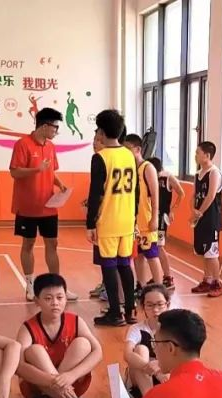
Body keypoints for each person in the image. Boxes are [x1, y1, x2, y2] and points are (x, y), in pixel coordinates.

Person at [16, 273, 104, 398]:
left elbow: (98, 352)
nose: (55, 303)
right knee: (34, 351)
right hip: (38, 385)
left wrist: (71, 375)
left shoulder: (76, 321)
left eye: (59, 297)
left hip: (72, 383)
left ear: (66, 298)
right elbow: (19, 366)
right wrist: (51, 380)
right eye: (48, 298)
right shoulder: (27, 328)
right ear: (36, 301)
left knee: (84, 344)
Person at [9, 107, 77, 301]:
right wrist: (36, 170)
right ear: (44, 126)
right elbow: (14, 172)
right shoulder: (22, 144)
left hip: (49, 206)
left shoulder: (50, 147)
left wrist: (59, 183)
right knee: (28, 244)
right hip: (27, 207)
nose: (56, 131)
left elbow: (50, 171)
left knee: (52, 244)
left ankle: (58, 286)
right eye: (55, 127)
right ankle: (30, 286)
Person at [86, 109, 138, 326]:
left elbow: (95, 193)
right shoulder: (129, 155)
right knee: (125, 265)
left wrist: (90, 223)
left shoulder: (100, 157)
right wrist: (134, 217)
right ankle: (130, 311)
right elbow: (136, 190)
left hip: (109, 219)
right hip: (127, 220)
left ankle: (115, 313)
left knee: (108, 267)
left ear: (102, 131)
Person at [123, 134, 163, 295]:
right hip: (134, 222)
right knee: (137, 255)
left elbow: (155, 195)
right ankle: (141, 285)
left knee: (152, 255)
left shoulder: (148, 168)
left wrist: (155, 218)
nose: (125, 152)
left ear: (138, 149)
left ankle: (159, 288)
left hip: (146, 220)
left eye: (128, 149)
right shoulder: (130, 168)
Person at [124, 284, 171, 398]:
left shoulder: (173, 329)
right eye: (150, 305)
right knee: (141, 349)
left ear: (167, 304)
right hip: (141, 377)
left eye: (160, 304)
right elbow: (127, 354)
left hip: (166, 375)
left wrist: (159, 366)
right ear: (143, 307)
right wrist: (153, 370)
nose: (155, 310)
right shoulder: (136, 329)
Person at [189, 142, 222, 298]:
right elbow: (193, 195)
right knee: (204, 251)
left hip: (211, 218)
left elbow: (211, 196)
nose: (195, 155)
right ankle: (207, 280)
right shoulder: (198, 174)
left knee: (212, 252)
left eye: (198, 153)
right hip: (200, 218)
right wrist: (193, 210)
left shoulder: (214, 173)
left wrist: (200, 212)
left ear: (207, 155)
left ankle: (217, 283)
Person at [148, 157, 185, 291]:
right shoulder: (148, 177)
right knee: (151, 246)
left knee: (159, 246)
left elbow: (181, 193)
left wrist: (173, 210)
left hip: (162, 218)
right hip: (150, 215)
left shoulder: (167, 177)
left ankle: (168, 277)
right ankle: (157, 275)